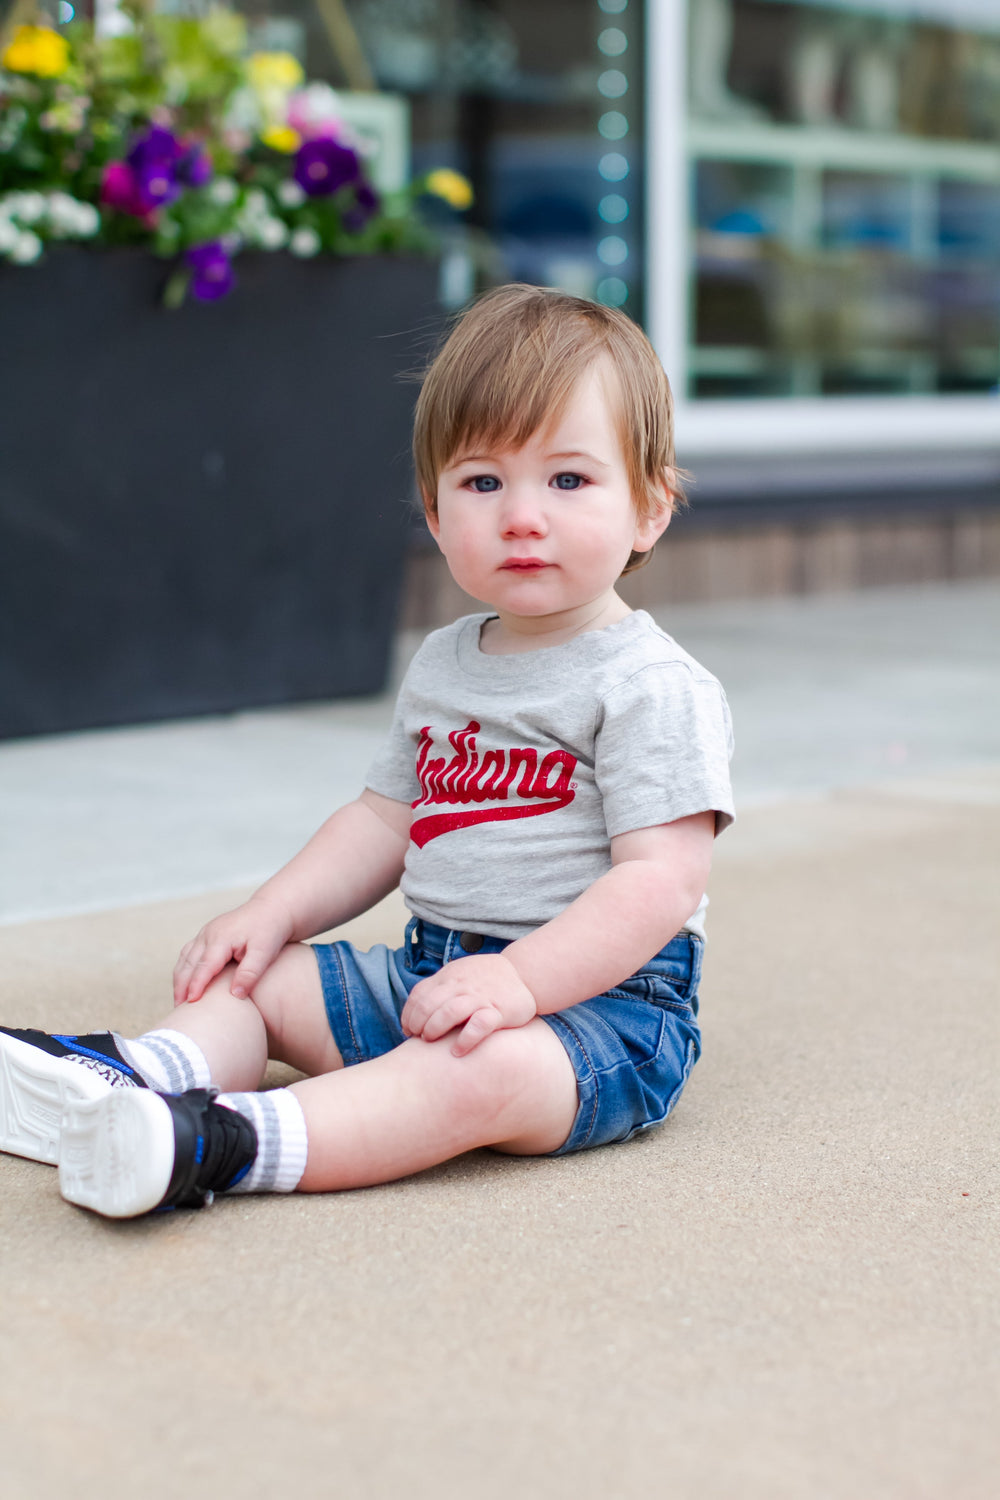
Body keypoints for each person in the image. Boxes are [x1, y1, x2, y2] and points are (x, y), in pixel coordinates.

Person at [0, 284, 734, 1219]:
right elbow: (384, 820)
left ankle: (222, 1143)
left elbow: (659, 884)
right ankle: (144, 1079)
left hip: (600, 1016)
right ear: (433, 515)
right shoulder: (444, 662)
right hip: (431, 977)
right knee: (256, 977)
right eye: (482, 482)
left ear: (650, 510)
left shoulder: (649, 684)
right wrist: (271, 911)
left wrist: (518, 981)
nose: (520, 515)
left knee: (477, 1072)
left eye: (567, 480)